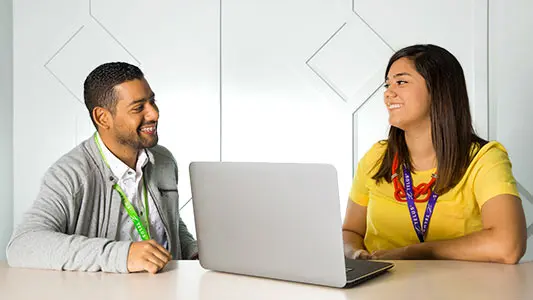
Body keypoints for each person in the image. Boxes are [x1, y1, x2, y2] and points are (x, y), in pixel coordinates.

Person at [342, 44, 527, 264]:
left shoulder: (484, 159)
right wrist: (355, 254)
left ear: (438, 90)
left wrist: (413, 253)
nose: (388, 93)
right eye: (387, 84)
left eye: (401, 82)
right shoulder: (376, 157)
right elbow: (351, 232)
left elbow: (508, 246)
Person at [7, 62, 197, 273]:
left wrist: (192, 250)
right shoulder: (70, 174)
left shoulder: (164, 160)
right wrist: (122, 255)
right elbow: (23, 244)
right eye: (138, 107)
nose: (154, 114)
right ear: (102, 117)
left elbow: (167, 222)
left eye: (152, 101)